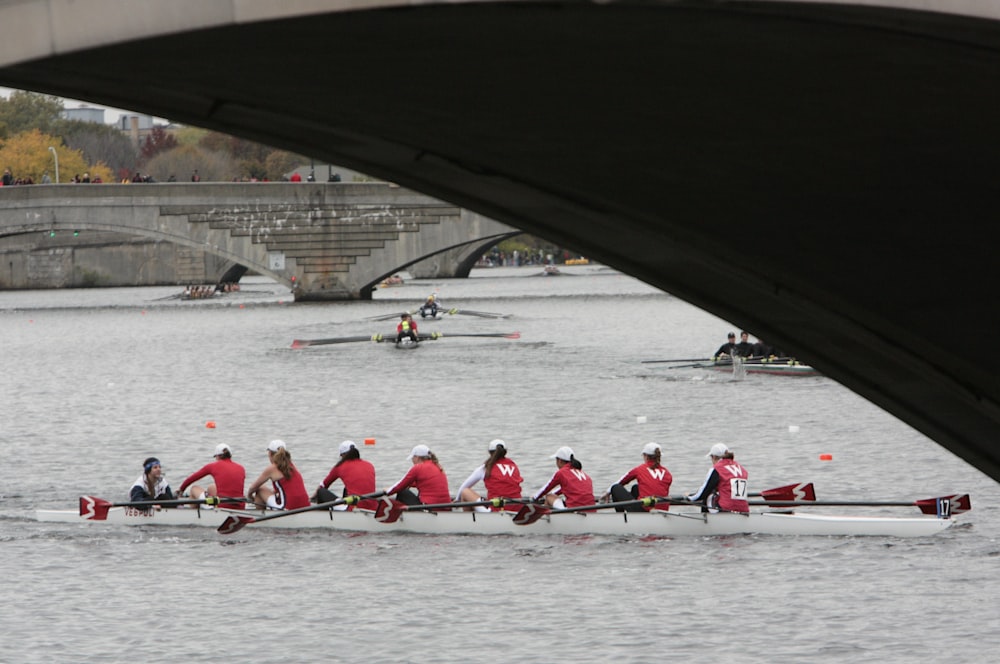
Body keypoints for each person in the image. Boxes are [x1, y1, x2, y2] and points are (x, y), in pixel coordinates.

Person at [454, 439, 523, 511]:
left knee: (465, 492)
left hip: (495, 510)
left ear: (489, 452)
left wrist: (457, 500)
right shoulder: (513, 465)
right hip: (516, 507)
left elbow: (464, 487)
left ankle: (467, 520)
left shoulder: (485, 467)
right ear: (505, 452)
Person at [600, 443, 673, 512]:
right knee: (636, 488)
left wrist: (607, 492)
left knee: (615, 488)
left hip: (644, 509)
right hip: (662, 511)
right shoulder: (667, 473)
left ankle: (622, 518)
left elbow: (622, 481)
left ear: (646, 456)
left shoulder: (640, 469)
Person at [176, 443, 246, 509]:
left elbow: (191, 479)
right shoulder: (241, 468)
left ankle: (194, 516)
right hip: (240, 506)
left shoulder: (212, 466)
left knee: (194, 489)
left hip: (222, 506)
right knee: (211, 487)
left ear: (218, 456)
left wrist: (181, 490)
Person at [246, 439, 311, 510]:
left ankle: (260, 517)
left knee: (260, 489)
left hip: (287, 508)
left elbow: (253, 487)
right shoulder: (291, 466)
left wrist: (249, 497)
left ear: (270, 453)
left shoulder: (272, 468)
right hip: (306, 506)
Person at [685, 443, 749, 513]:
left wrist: (689, 497)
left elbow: (703, 493)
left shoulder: (717, 469)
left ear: (714, 457)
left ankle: (705, 521)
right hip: (744, 509)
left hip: (725, 509)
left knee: (708, 497)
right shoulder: (741, 468)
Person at [384, 444, 451, 508]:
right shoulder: (437, 466)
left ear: (417, 457)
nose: (412, 460)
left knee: (402, 492)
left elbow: (400, 486)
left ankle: (400, 517)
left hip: (429, 507)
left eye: (412, 458)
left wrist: (387, 491)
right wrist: (410, 484)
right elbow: (425, 483)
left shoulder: (418, 468)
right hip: (445, 506)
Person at [317, 440, 378, 510]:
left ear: (342, 455)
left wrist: (312, 499)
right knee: (347, 490)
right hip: (373, 508)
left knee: (321, 492)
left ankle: (323, 517)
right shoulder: (369, 465)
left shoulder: (340, 466)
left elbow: (323, 485)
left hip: (354, 508)